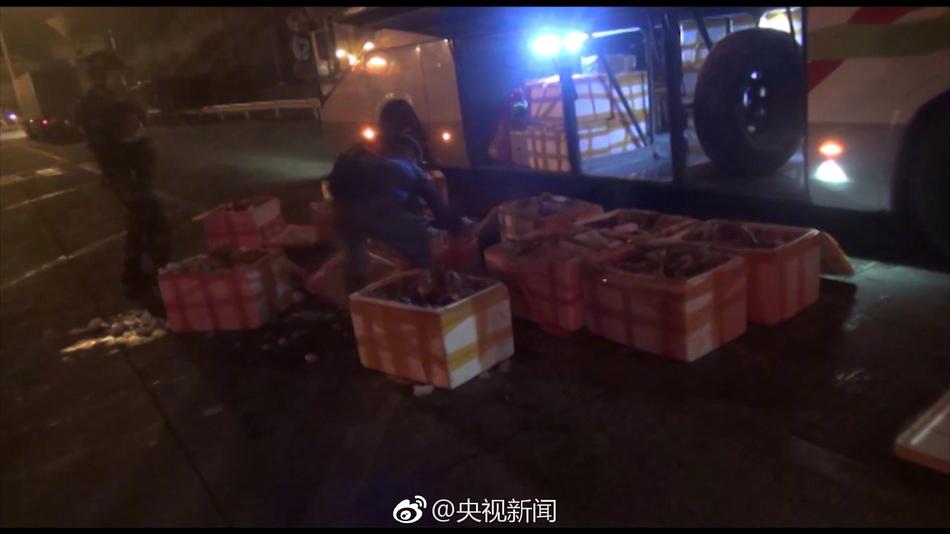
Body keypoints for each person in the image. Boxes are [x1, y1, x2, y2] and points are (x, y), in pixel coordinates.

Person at [75, 51, 170, 299]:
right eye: (117, 73)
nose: (122, 77)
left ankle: (138, 272)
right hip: (122, 172)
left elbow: (137, 121)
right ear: (104, 75)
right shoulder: (97, 104)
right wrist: (129, 143)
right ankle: (155, 272)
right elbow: (105, 142)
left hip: (132, 170)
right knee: (150, 217)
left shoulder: (113, 99)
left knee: (142, 220)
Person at [327, 133, 465, 292]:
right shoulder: (410, 168)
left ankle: (355, 300)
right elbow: (438, 207)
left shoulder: (373, 164)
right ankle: (420, 291)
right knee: (419, 239)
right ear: (411, 155)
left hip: (341, 209)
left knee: (355, 260)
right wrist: (456, 232)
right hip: (373, 209)